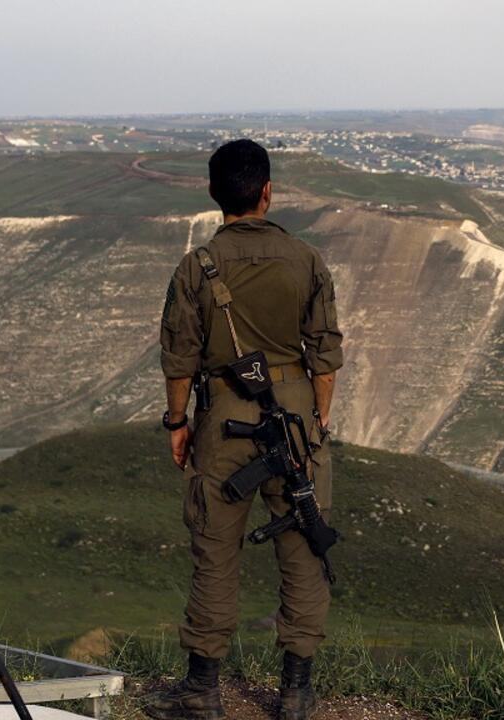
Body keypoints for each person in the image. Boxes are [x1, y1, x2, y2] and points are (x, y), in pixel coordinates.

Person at [147, 139, 342, 720]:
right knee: (306, 549)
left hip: (223, 416)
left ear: (214, 194)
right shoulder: (306, 259)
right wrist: (316, 417)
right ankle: (297, 693)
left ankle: (202, 692)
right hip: (296, 414)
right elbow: (326, 355)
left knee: (214, 551)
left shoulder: (196, 267)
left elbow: (178, 359)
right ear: (267, 192)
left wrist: (177, 423)